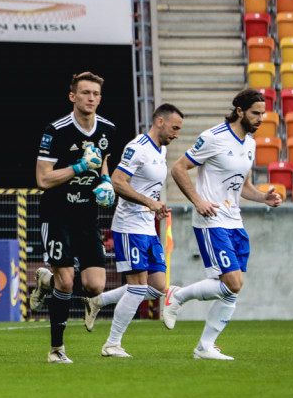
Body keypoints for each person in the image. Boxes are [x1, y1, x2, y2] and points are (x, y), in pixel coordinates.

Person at [163, 88, 282, 360]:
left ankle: (205, 347)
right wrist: (197, 200)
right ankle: (177, 296)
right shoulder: (213, 137)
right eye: (256, 112)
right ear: (239, 111)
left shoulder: (250, 143)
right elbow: (178, 168)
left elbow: (243, 187)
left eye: (263, 113)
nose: (261, 118)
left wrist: (264, 197)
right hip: (211, 220)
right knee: (234, 283)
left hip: (234, 221)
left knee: (230, 289)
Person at [81, 104, 184, 357]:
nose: (177, 134)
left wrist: (155, 205)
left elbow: (146, 187)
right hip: (129, 226)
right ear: (159, 121)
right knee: (137, 288)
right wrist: (150, 202)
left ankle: (99, 301)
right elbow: (117, 181)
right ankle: (112, 344)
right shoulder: (137, 147)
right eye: (174, 128)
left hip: (148, 226)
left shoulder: (160, 150)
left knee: (158, 287)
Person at [29, 72, 118, 363]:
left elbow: (103, 162)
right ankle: (56, 349)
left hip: (86, 216)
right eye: (85, 93)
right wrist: (79, 167)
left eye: (95, 94)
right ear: (73, 97)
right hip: (57, 215)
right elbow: (43, 180)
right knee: (66, 282)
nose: (91, 98)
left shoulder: (108, 129)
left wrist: (105, 183)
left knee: (95, 286)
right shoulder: (55, 130)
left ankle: (47, 279)